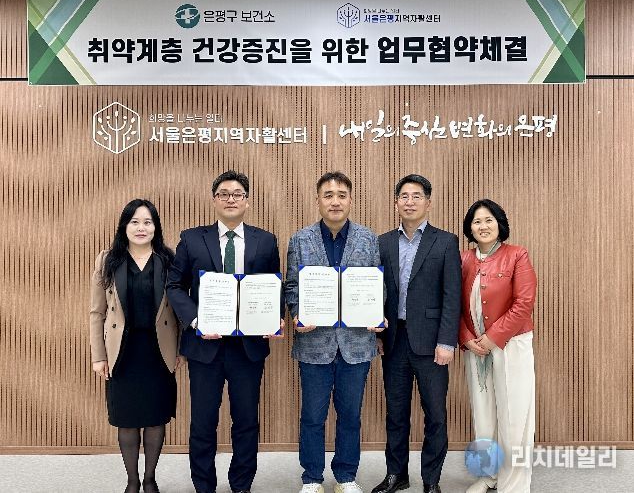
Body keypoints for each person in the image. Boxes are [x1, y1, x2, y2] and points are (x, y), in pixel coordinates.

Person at [166, 170, 284, 493]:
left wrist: (275, 317)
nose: (231, 199)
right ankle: (204, 485)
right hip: (205, 346)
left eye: (237, 194)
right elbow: (174, 286)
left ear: (247, 201)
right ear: (214, 200)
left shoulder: (265, 240)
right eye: (224, 194)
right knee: (203, 422)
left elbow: (274, 286)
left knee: (246, 421)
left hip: (248, 347)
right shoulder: (192, 238)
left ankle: (241, 484)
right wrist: (196, 321)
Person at [285, 171, 384, 493]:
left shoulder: (369, 239)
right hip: (315, 343)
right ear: (318, 200)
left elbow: (378, 285)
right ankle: (312, 478)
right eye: (328, 195)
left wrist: (377, 313)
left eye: (342, 195)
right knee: (312, 416)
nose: (335, 201)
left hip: (356, 343)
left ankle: (345, 476)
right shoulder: (300, 240)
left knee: (350, 416)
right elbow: (291, 286)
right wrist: (297, 313)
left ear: (350, 200)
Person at [373, 175, 461, 493]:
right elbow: (376, 292)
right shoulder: (382, 242)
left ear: (428, 202)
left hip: (432, 342)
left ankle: (431, 479)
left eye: (417, 196)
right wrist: (378, 334)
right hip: (394, 340)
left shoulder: (445, 241)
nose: (410, 202)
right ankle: (396, 474)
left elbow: (452, 295)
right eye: (404, 196)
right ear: (396, 202)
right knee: (395, 413)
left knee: (435, 414)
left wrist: (446, 341)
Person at [89, 199, 182, 493]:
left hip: (158, 351)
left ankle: (150, 479)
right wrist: (98, 356)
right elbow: (97, 312)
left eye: (147, 222)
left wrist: (180, 350)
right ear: (124, 226)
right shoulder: (108, 260)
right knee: (127, 421)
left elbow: (180, 309)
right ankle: (132, 481)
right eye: (135, 222)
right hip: (122, 352)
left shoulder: (168, 259)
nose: (141, 228)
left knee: (155, 419)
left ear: (156, 227)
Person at [459, 199, 537, 493]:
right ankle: (488, 475)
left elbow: (524, 303)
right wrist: (466, 337)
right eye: (477, 221)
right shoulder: (463, 259)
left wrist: (493, 337)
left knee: (513, 415)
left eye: (488, 220)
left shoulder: (517, 255)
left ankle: (513, 483)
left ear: (499, 224)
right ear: (470, 228)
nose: (483, 226)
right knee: (483, 416)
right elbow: (452, 303)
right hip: (476, 348)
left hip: (511, 345)